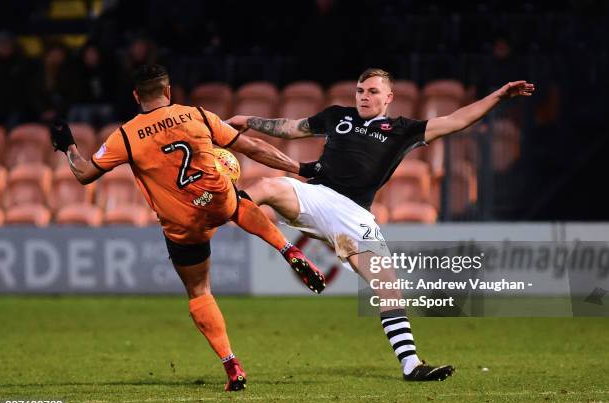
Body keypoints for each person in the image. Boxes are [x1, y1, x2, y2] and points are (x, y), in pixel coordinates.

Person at [227, 68, 535, 381]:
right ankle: (219, 213)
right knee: (267, 186)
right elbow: (290, 128)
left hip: (352, 218)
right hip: (316, 196)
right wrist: (249, 121)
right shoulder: (337, 116)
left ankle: (411, 364)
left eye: (373, 91)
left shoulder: (402, 129)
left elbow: (455, 120)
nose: (364, 96)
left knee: (387, 285)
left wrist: (497, 97)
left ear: (389, 98)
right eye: (360, 90)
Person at [50, 64, 325, 391]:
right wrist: (301, 167)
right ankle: (287, 248)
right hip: (218, 198)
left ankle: (232, 365)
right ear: (169, 92)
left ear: (137, 96)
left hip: (182, 223)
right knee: (238, 201)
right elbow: (252, 148)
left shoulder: (125, 135)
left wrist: (68, 146)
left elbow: (84, 174)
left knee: (200, 291)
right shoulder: (197, 115)